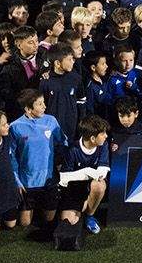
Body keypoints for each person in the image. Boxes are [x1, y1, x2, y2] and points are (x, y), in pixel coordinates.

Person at [8, 89, 65, 230]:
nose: (44, 107)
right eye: (40, 104)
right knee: (25, 223)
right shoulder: (15, 127)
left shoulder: (51, 121)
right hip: (27, 182)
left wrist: (60, 164)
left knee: (49, 219)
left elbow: (63, 143)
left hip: (48, 180)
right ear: (28, 109)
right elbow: (11, 156)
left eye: (44, 102)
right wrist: (17, 180)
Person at [55, 116, 111, 243]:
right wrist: (87, 172)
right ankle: (79, 211)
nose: (106, 136)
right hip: (74, 189)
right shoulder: (72, 149)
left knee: (99, 185)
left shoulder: (103, 145)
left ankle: (90, 216)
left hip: (91, 185)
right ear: (92, 138)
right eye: (103, 134)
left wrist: (87, 174)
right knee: (70, 221)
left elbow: (102, 173)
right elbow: (64, 178)